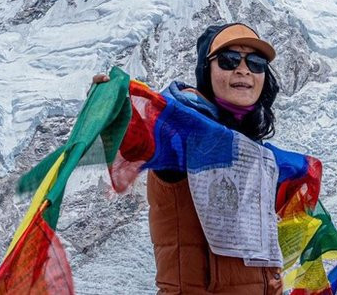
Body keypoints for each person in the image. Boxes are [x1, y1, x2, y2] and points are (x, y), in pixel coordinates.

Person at [92, 23, 283, 294]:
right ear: (207, 70)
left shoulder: (254, 150)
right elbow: (142, 136)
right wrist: (116, 111)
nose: (244, 70)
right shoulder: (182, 129)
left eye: (256, 62)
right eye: (229, 60)